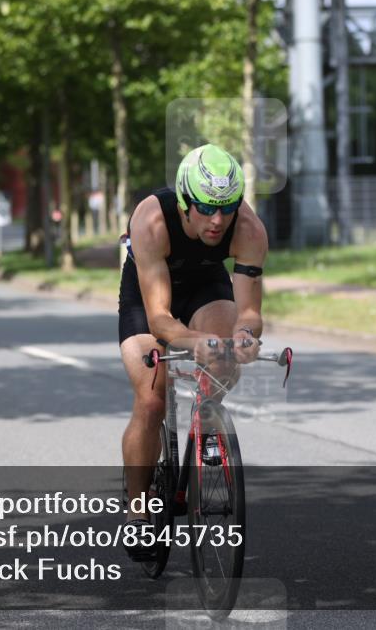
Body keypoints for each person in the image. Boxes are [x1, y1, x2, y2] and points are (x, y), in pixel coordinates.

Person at [117, 144, 268, 561]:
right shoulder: (151, 219)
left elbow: (251, 313)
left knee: (224, 357)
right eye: (205, 208)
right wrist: (197, 341)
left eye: (227, 207)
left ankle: (207, 422)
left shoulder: (250, 230)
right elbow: (162, 321)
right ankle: (137, 511)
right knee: (150, 398)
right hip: (150, 299)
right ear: (185, 202)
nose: (218, 220)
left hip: (206, 286)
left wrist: (245, 337)